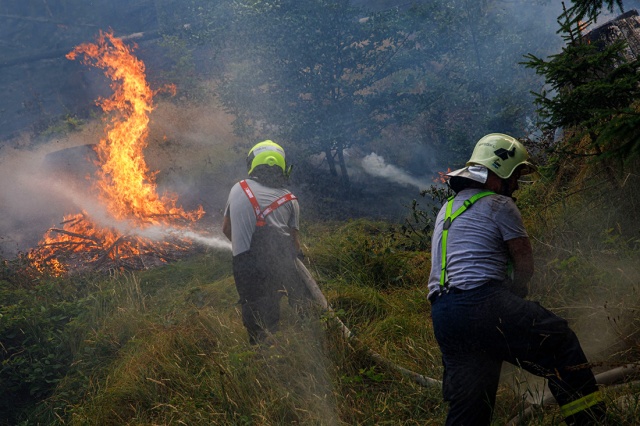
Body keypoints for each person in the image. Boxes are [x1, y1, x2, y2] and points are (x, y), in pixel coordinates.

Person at [428, 133, 606, 425]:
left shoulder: (446, 211)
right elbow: (524, 264)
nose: (515, 187)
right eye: (515, 177)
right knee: (559, 342)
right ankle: (590, 421)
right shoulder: (500, 205)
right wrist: (515, 295)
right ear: (499, 174)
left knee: (472, 401)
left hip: (445, 314)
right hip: (482, 302)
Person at [223, 140, 311, 345]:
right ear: (282, 167)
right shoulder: (290, 199)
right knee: (279, 303)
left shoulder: (239, 188)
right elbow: (294, 242)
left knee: (253, 307)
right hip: (279, 263)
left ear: (253, 164)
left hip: (245, 263)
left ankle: (260, 353)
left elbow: (226, 230)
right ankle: (297, 337)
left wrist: (241, 249)